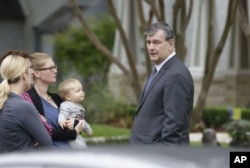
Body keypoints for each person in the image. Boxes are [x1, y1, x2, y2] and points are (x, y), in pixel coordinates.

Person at [130, 22, 194, 146]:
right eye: (148, 42)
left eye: (156, 42)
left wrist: (159, 156)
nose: (151, 47)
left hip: (158, 158)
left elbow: (173, 128)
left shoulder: (176, 75)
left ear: (170, 45)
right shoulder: (159, 70)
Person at [25, 52, 85, 148]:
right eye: (50, 68)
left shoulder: (56, 98)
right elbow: (44, 133)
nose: (55, 71)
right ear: (36, 73)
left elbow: (77, 122)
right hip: (51, 157)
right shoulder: (29, 99)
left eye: (55, 67)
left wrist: (75, 123)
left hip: (70, 154)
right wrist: (73, 133)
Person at [0, 50, 52, 152]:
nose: (33, 72)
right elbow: (47, 143)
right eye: (30, 68)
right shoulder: (22, 107)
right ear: (24, 74)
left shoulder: (5, 101)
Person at [58, 78, 93, 149]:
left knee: (83, 146)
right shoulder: (66, 104)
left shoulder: (80, 107)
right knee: (80, 148)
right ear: (68, 96)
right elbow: (63, 113)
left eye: (82, 89)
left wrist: (87, 128)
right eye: (78, 91)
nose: (82, 92)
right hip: (71, 133)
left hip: (78, 133)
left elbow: (82, 120)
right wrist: (61, 120)